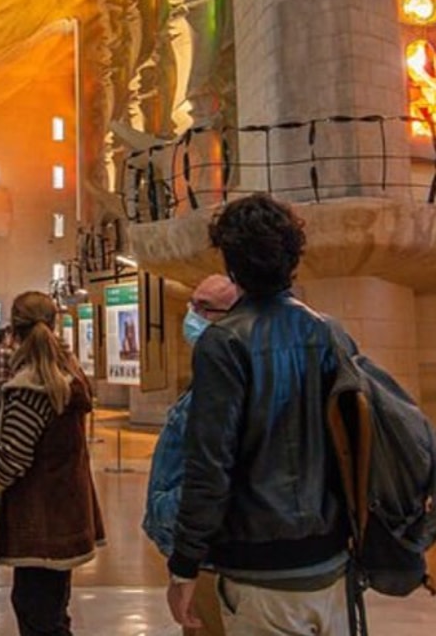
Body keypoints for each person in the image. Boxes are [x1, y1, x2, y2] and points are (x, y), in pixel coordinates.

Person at [166, 194, 350, 635]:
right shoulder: (328, 332)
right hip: (330, 561)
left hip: (260, 565)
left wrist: (184, 564)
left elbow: (210, 464)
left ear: (231, 263)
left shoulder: (224, 343)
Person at [0, 292, 104, 636]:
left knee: (37, 613)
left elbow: (14, 456)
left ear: (13, 332)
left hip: (40, 519)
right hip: (63, 512)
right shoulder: (65, 374)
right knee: (49, 611)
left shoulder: (33, 384)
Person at [142, 275, 240, 636]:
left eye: (204, 308)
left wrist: (184, 561)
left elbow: (211, 479)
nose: (192, 316)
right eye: (191, 305)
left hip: (215, 556)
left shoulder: (225, 386)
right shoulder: (211, 376)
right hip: (206, 551)